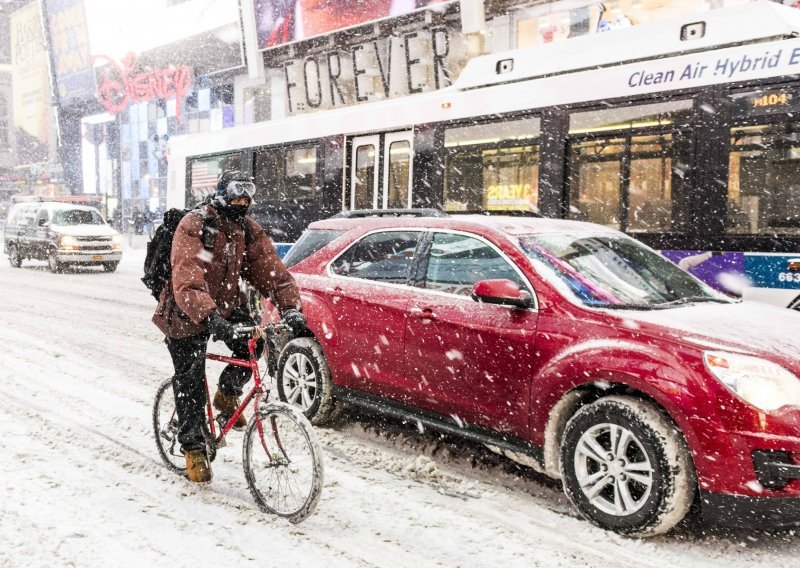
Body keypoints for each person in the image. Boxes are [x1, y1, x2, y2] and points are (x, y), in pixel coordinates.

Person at [152, 170, 306, 483]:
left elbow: (270, 270)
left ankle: (227, 392)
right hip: (183, 312)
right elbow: (187, 277)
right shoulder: (195, 224)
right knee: (191, 379)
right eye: (237, 193)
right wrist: (209, 317)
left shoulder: (246, 230)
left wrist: (290, 307)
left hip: (223, 306)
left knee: (255, 343)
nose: (243, 201)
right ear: (222, 193)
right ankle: (193, 447)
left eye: (248, 194)